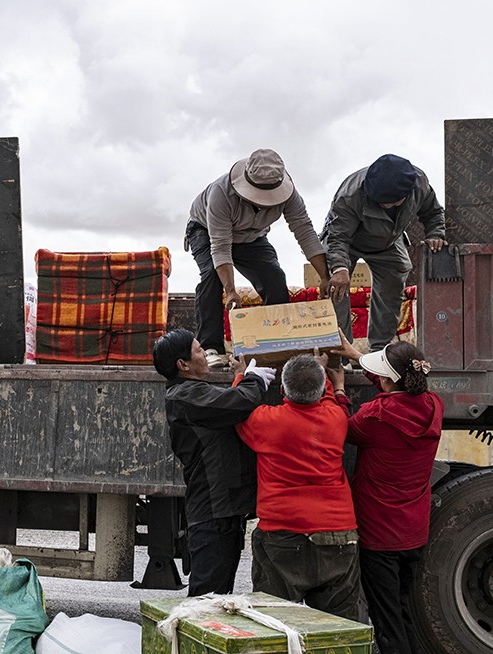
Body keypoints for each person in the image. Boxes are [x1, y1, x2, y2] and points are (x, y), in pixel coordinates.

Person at [327, 334, 443, 654]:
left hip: (379, 534)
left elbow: (342, 429)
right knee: (402, 610)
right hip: (413, 531)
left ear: (388, 381)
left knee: (386, 622)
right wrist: (355, 355)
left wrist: (339, 390)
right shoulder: (433, 405)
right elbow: (396, 389)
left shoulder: (376, 415)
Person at [234, 352, 360, 620]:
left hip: (282, 531)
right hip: (336, 532)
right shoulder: (336, 419)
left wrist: (240, 377)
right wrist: (330, 380)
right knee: (338, 627)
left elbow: (237, 408)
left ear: (282, 390)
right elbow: (330, 401)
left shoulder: (266, 421)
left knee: (275, 624)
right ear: (320, 390)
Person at [152, 328, 275, 596]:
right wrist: (253, 380)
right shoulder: (185, 396)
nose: (205, 356)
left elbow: (227, 403)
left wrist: (243, 377)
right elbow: (239, 401)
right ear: (183, 364)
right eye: (199, 351)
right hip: (213, 512)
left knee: (217, 596)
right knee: (207, 600)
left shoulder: (193, 392)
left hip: (221, 511)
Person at [186, 149, 330, 368]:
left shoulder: (290, 194)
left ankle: (276, 342)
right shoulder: (221, 193)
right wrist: (231, 290)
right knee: (211, 276)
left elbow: (305, 232)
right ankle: (210, 347)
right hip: (206, 231)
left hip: (252, 237)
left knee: (274, 277)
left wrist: (325, 276)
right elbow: (220, 246)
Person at [321, 154, 447, 352]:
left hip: (387, 241)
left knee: (394, 280)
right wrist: (339, 268)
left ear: (405, 195)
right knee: (336, 287)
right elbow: (337, 237)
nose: (381, 204)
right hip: (347, 242)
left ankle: (379, 350)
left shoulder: (419, 184)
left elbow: (433, 212)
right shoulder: (350, 195)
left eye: (386, 202)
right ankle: (341, 351)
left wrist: (435, 234)